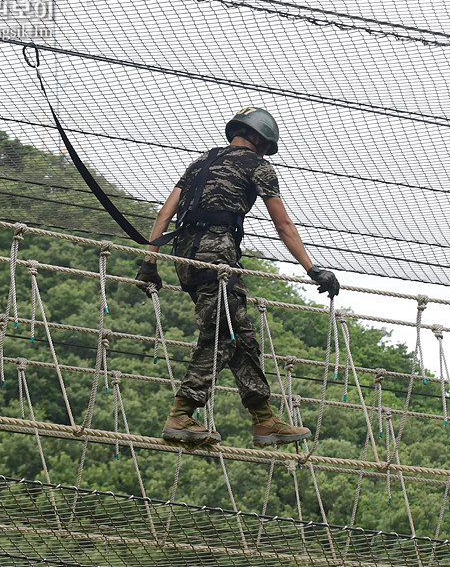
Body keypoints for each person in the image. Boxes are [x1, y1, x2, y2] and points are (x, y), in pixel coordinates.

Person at [136, 107, 340, 447]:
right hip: (215, 256)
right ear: (258, 139)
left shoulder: (201, 161)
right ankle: (181, 413)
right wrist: (311, 268)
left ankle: (264, 421)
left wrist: (149, 262)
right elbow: (283, 224)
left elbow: (165, 213)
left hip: (184, 256)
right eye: (265, 146)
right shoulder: (259, 167)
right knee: (224, 335)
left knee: (242, 337)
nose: (264, 152)